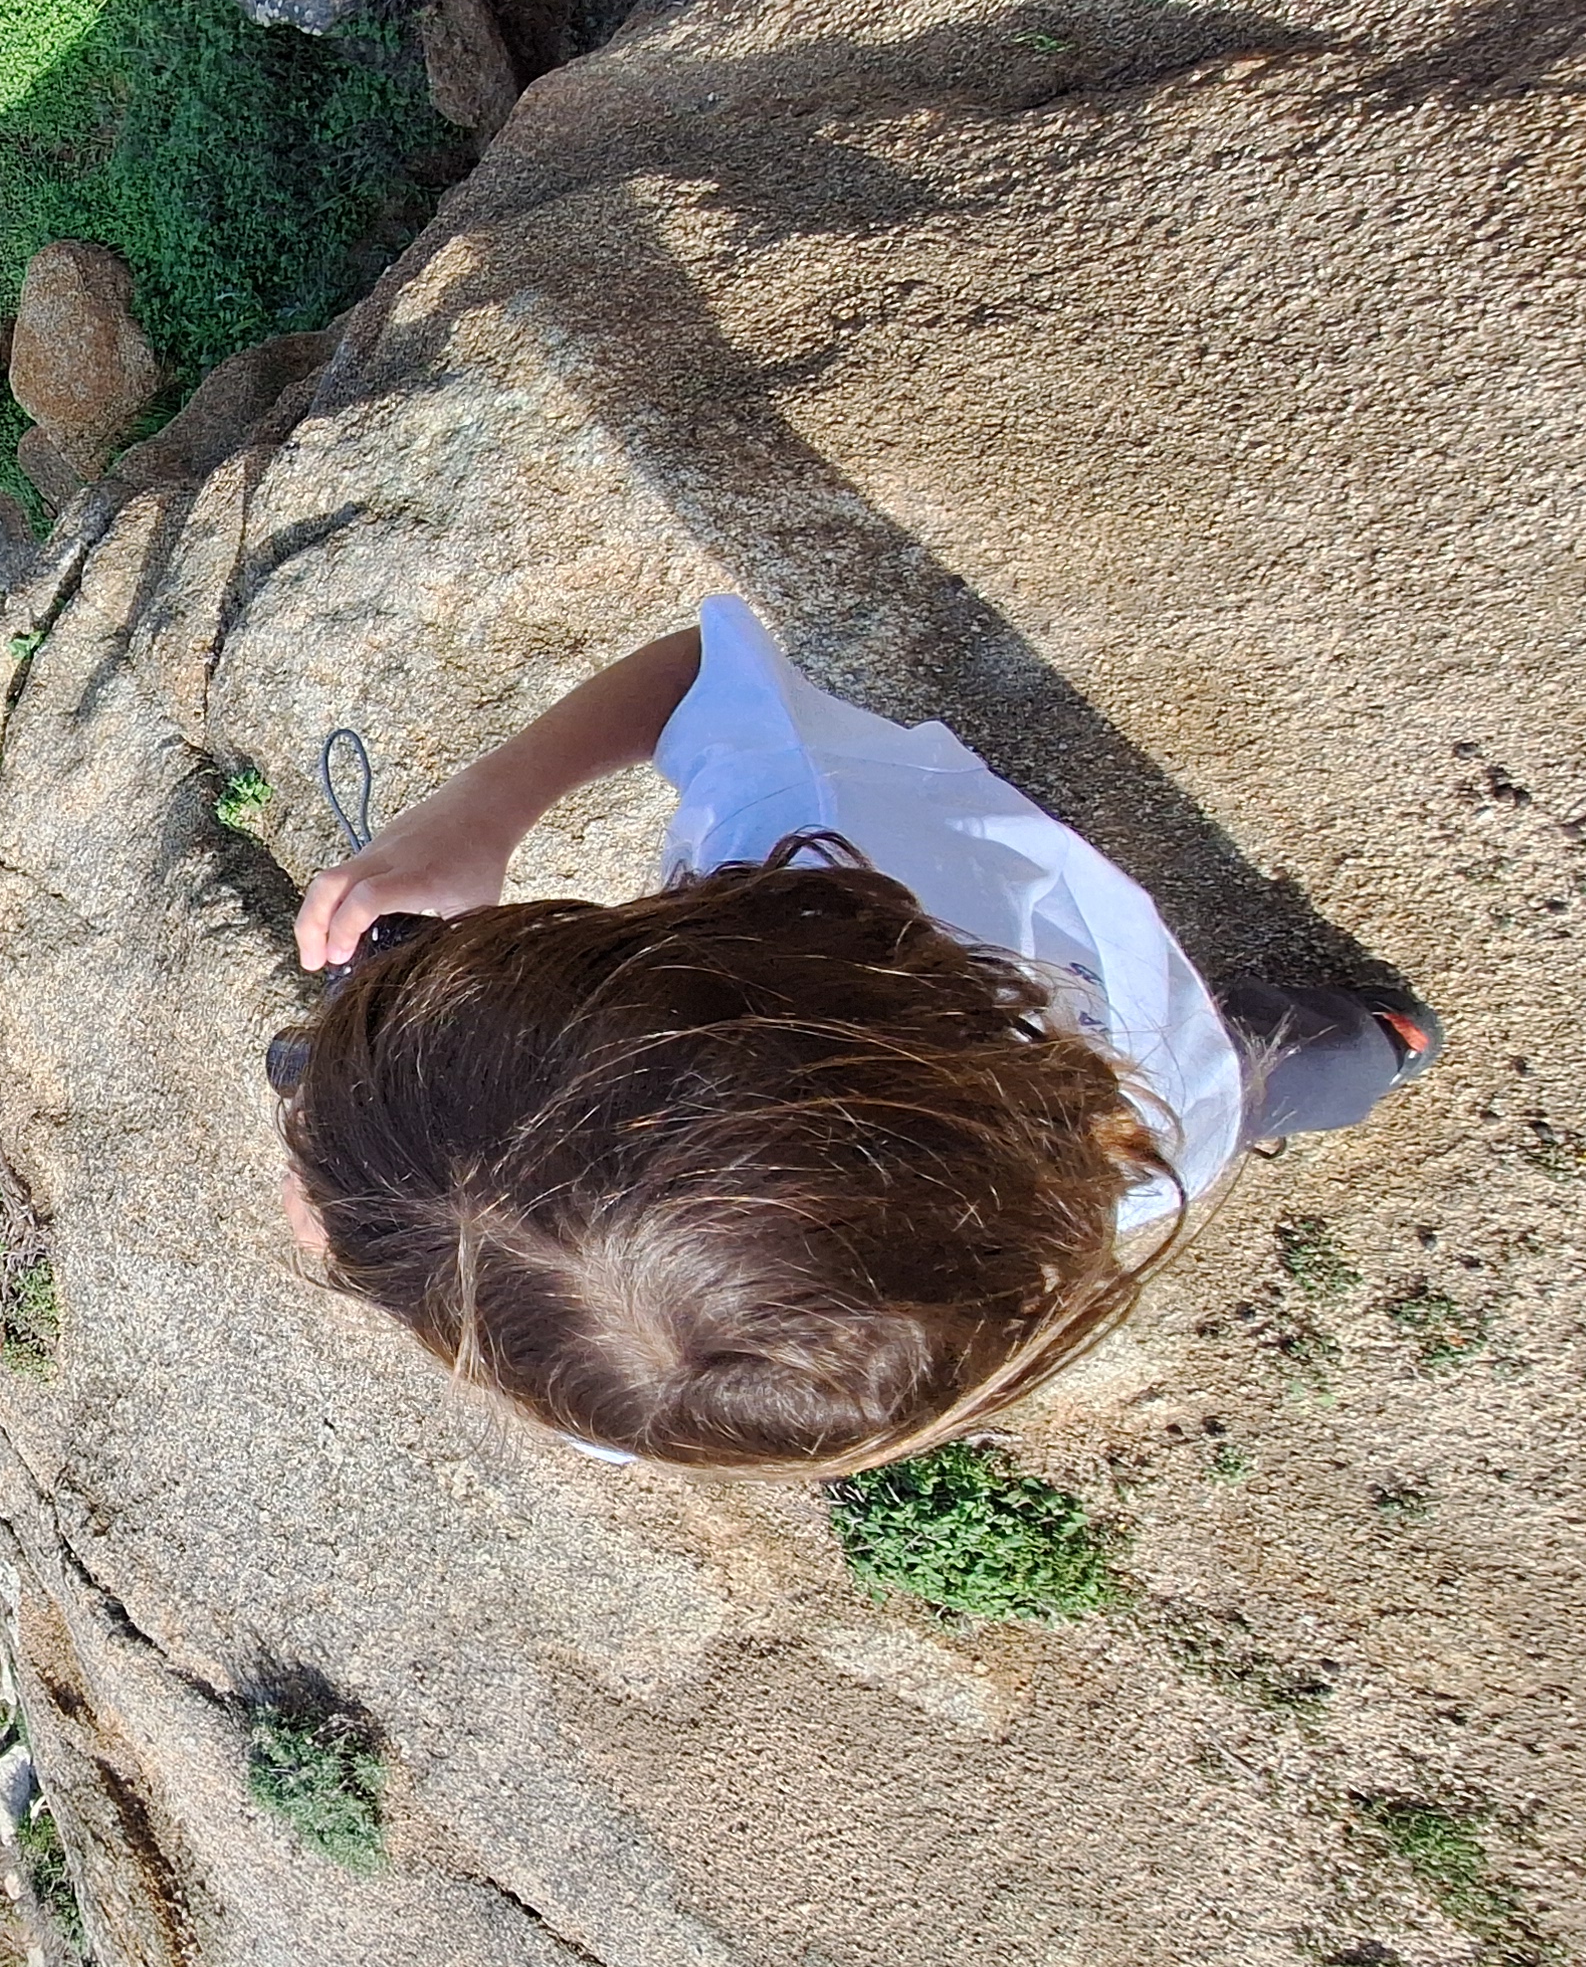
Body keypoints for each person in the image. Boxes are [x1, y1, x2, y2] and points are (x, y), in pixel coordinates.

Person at [274, 596, 1439, 1474]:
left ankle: (1338, 1062)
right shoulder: (800, 823)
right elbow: (694, 674)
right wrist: (478, 814)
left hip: (1078, 1176)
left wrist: (394, 1245)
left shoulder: (644, 1398)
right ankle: (1331, 1053)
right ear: (688, 941)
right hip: (1105, 1031)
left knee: (1181, 1114)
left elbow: (563, 1273)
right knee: (1209, 1070)